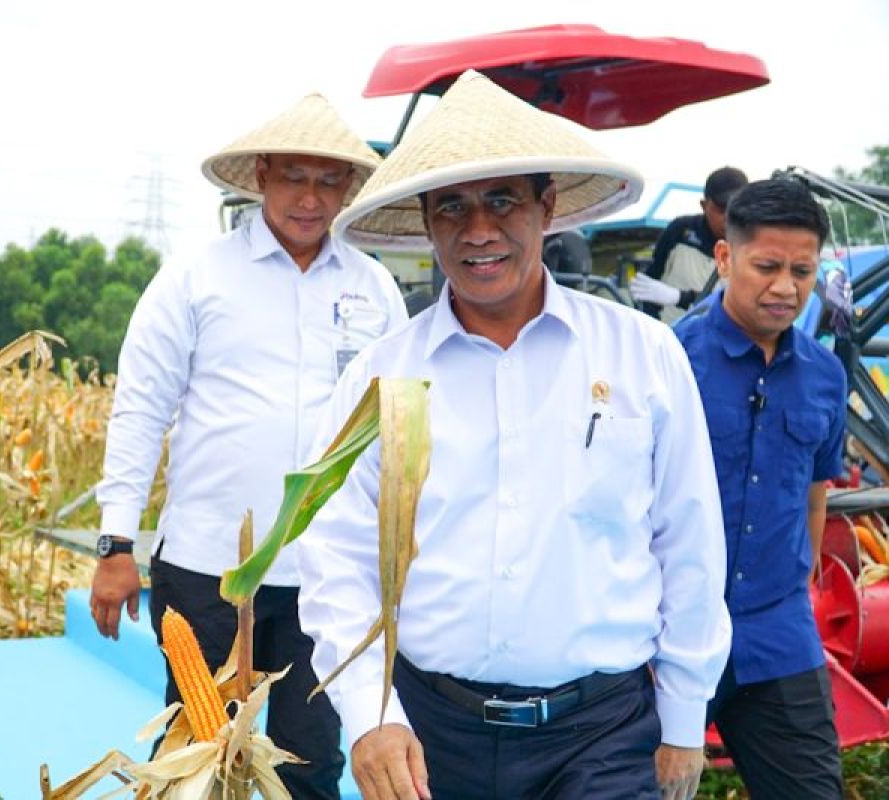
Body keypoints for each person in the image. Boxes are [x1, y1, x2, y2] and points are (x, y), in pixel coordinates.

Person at [296, 71, 731, 800]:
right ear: (427, 222)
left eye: (502, 200)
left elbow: (687, 539)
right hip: (434, 735)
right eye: (452, 208)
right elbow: (335, 556)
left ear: (547, 206)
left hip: (602, 732)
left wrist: (684, 716)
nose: (478, 231)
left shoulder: (641, 355)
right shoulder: (381, 378)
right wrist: (372, 711)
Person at [90, 93, 408, 798]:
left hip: (324, 575)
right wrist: (115, 546)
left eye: (329, 181)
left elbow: (394, 429)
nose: (310, 197)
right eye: (295, 176)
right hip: (206, 569)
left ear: (350, 190)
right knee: (200, 758)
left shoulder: (373, 288)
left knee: (310, 762)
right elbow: (140, 408)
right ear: (261, 174)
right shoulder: (196, 277)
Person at [675, 179, 845, 799]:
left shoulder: (825, 376)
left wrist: (803, 577)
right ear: (725, 258)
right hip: (670, 632)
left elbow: (815, 487)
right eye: (767, 266)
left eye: (802, 270)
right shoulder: (669, 362)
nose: (786, 287)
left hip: (778, 631)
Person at [632, 166, 749, 322]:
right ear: (704, 205)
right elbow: (651, 282)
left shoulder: (753, 243)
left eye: (735, 208)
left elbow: (745, 303)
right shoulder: (679, 231)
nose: (728, 218)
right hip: (672, 334)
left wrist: (680, 297)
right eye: (721, 209)